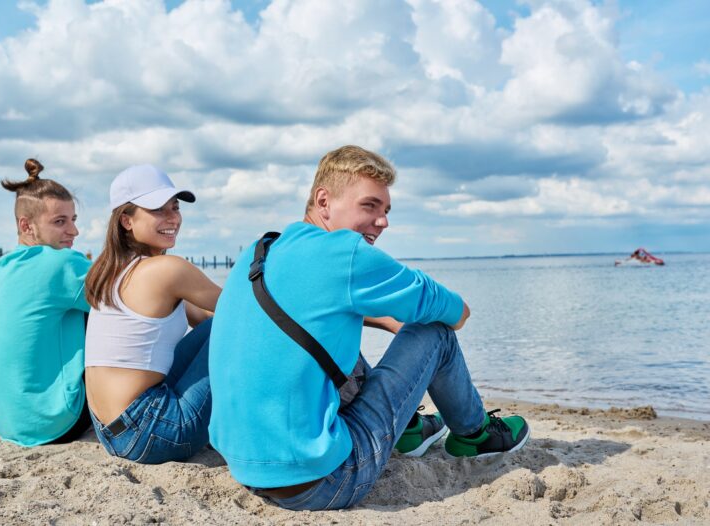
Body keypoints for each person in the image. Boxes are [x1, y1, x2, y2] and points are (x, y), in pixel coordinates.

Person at [209, 145, 530, 510]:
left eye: (386, 210)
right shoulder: (346, 253)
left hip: (247, 467)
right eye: (370, 206)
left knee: (333, 329)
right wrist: (414, 324)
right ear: (324, 200)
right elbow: (457, 312)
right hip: (323, 480)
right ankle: (473, 434)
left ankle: (406, 428)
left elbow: (314, 312)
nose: (383, 221)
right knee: (434, 332)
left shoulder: (259, 251)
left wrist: (386, 320)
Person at [84, 164, 221, 464]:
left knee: (219, 329)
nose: (172, 217)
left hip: (109, 431)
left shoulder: (110, 271)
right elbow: (248, 311)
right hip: (152, 433)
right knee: (236, 326)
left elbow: (201, 320)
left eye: (175, 207)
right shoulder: (167, 270)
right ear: (126, 221)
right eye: (158, 209)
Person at [0, 159, 92, 447]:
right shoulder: (61, 262)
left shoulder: (4, 266)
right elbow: (134, 296)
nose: (74, 232)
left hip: (5, 422)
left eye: (73, 220)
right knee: (112, 311)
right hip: (55, 421)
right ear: (26, 226)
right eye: (60, 222)